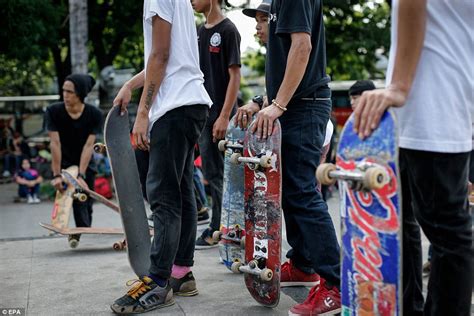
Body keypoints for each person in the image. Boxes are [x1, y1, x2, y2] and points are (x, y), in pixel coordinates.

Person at [353, 1, 472, 315]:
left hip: (429, 107)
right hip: (446, 105)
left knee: (448, 235)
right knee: (407, 226)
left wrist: (399, 85)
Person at [238, 1, 342, 315]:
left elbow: (302, 45)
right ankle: (303, 263)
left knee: (301, 193)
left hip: (303, 107)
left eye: (260, 19)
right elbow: (287, 57)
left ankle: (336, 283)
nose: (258, 24)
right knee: (290, 193)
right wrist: (264, 102)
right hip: (296, 106)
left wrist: (279, 105)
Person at [110, 0, 212, 313]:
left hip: (175, 107)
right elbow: (168, 58)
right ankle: (181, 273)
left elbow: (161, 55)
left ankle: (157, 281)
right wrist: (130, 83)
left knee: (164, 196)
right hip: (192, 103)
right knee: (181, 191)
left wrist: (143, 112)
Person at [191, 0, 241, 249]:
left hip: (220, 116)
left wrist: (224, 116)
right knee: (207, 172)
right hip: (201, 113)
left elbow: (235, 76)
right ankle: (214, 221)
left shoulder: (228, 30)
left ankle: (220, 228)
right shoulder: (199, 31)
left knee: (220, 174)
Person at [44, 73, 102, 247]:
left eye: (70, 92)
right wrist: (56, 174)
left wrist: (82, 175)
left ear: (81, 94)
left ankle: (82, 230)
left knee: (85, 199)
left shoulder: (94, 114)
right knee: (74, 198)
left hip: (85, 163)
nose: (65, 95)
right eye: (64, 91)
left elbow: (88, 146)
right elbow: (55, 143)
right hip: (64, 163)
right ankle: (78, 232)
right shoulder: (53, 111)